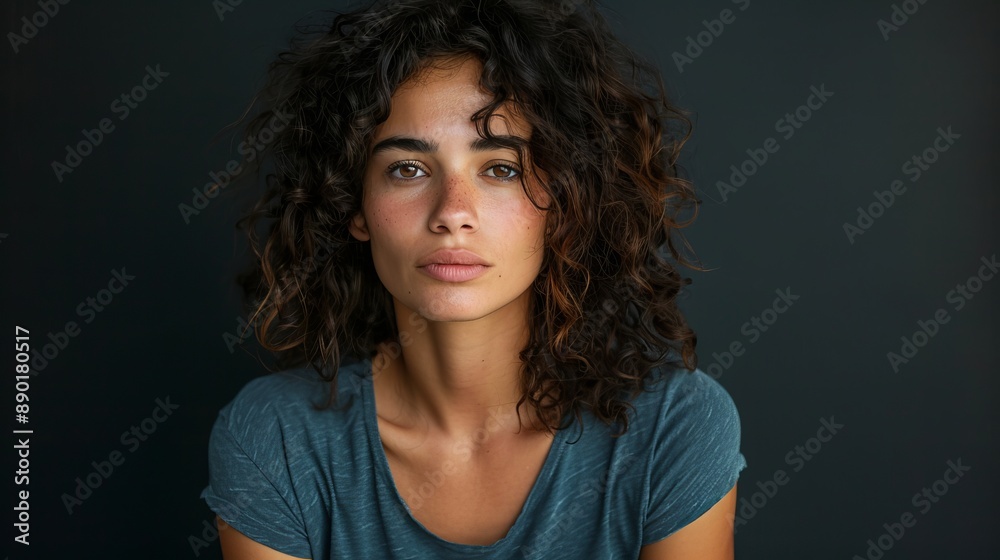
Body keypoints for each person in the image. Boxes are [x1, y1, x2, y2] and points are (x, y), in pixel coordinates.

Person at [200, 0, 747, 558]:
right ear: (355, 206)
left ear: (565, 202)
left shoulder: (672, 429)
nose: (452, 212)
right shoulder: (276, 438)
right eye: (408, 169)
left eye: (501, 168)